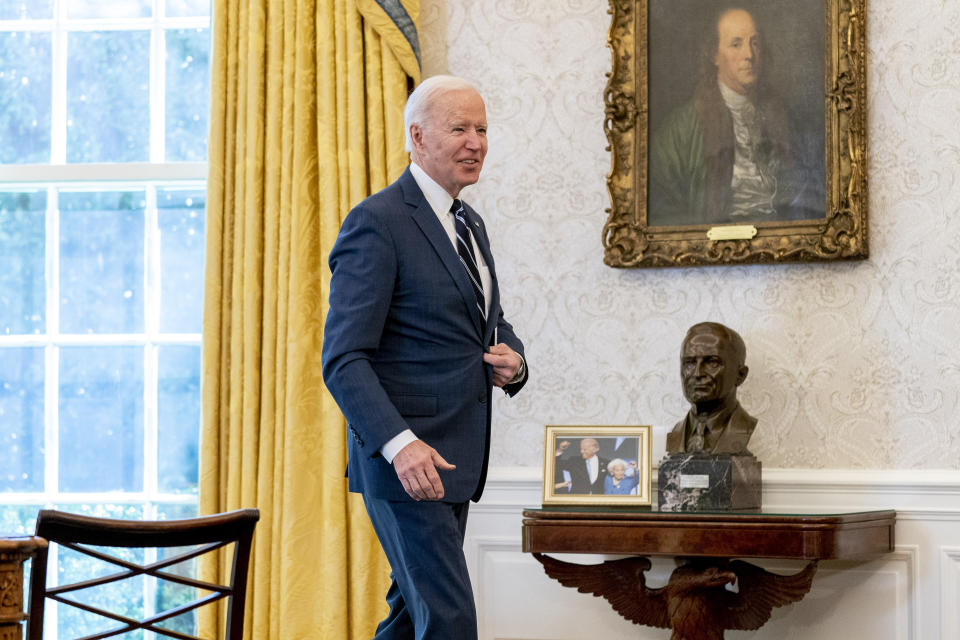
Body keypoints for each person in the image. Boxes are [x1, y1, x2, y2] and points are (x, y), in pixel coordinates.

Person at [321, 75, 528, 640]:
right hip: (406, 467)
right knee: (450, 623)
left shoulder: (470, 222)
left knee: (413, 618)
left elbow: (488, 323)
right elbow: (343, 358)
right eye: (459, 128)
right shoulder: (377, 222)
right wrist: (401, 445)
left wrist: (515, 361)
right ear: (417, 137)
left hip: (455, 462)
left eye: (482, 129)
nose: (476, 142)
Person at [648, 6, 820, 227]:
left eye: (755, 43)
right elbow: (661, 205)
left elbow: (808, 195)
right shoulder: (680, 129)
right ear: (714, 55)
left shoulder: (783, 117)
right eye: (736, 44)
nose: (749, 55)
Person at [666, 322, 757, 455]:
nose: (697, 373)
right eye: (689, 363)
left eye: (712, 362)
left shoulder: (743, 428)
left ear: (740, 375)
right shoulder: (676, 432)